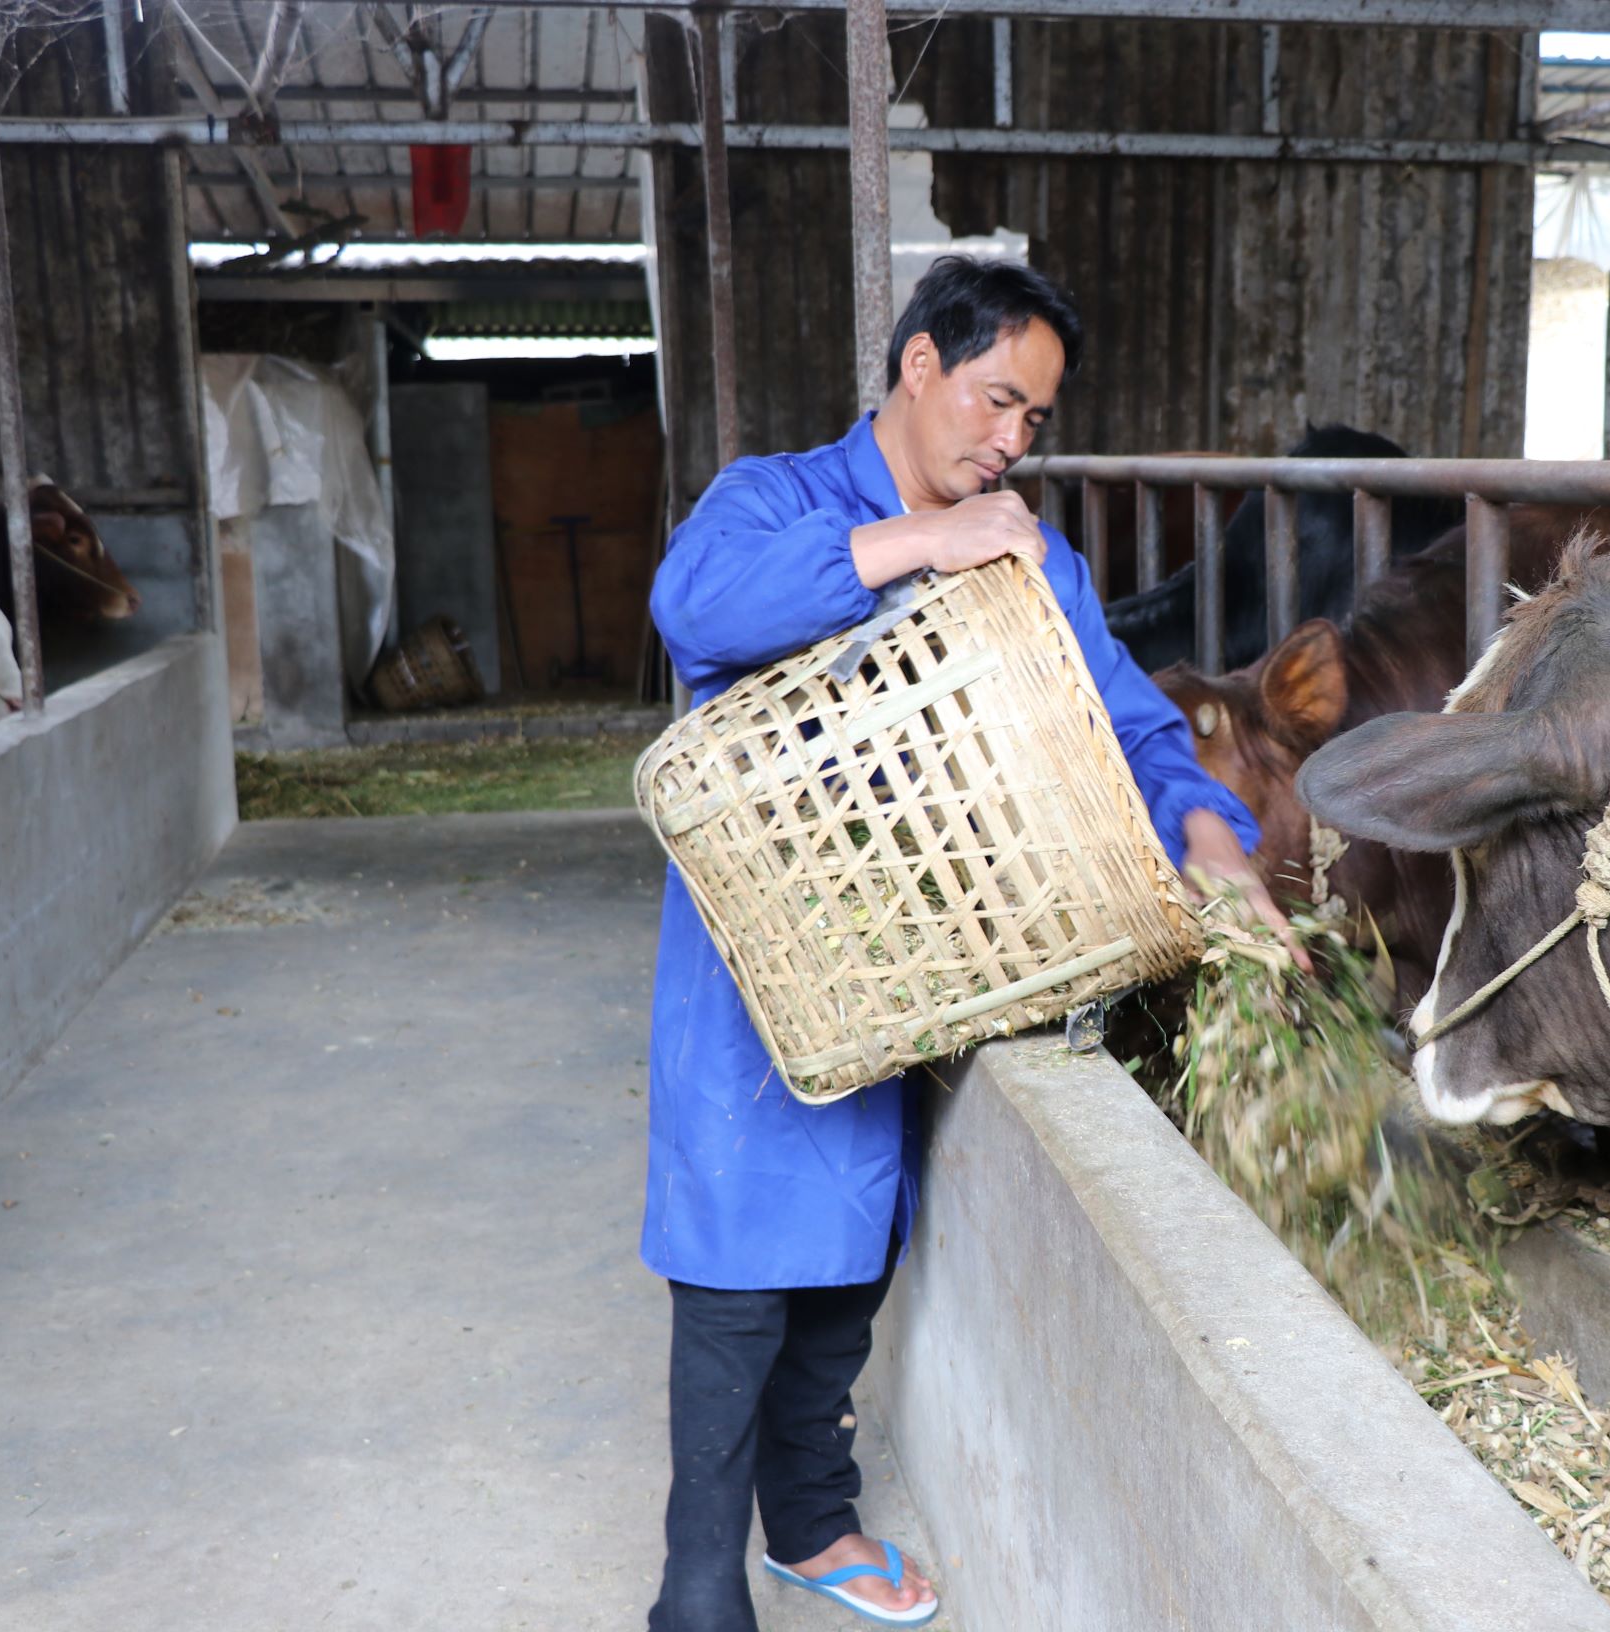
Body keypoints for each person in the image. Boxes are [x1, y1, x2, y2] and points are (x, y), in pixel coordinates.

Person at [642, 256, 1291, 1631]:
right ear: (919, 366)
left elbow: (1127, 721)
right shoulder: (778, 498)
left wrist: (1213, 840)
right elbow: (695, 609)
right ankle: (696, 1577)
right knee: (739, 1267)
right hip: (768, 958)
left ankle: (811, 1527)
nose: (1009, 443)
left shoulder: (1032, 553)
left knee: (850, 1263)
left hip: (943, 955)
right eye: (997, 401)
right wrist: (916, 546)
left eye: (1033, 423)